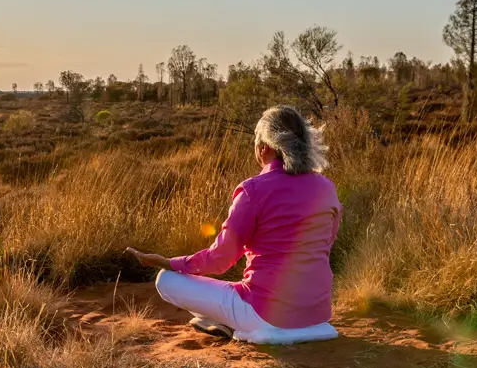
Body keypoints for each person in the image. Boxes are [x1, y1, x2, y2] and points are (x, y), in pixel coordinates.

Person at [126, 105, 342, 344]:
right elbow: (326, 244)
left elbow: (221, 259)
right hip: (318, 315)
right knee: (241, 286)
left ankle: (225, 322)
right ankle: (222, 321)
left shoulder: (253, 190)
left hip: (265, 315)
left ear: (264, 147)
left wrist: (170, 263)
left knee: (166, 280)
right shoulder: (326, 187)